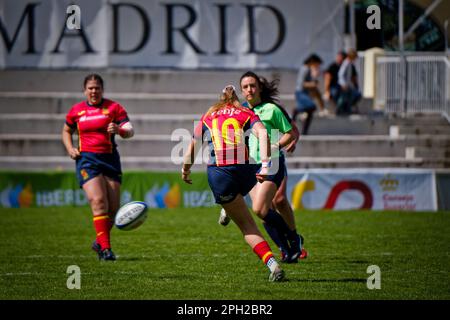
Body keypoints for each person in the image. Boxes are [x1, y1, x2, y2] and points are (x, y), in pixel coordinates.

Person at [181, 85, 285, 282]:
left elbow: (194, 145)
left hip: (220, 173)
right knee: (243, 201)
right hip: (244, 170)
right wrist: (265, 165)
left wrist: (185, 169)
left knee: (247, 226)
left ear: (220, 100)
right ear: (236, 99)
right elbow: (263, 134)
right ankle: (228, 208)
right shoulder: (245, 112)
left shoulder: (209, 115)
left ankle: (273, 265)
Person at [220, 71, 305, 263]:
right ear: (241, 91)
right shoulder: (241, 112)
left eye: (252, 85)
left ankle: (293, 238)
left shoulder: (271, 109)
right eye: (245, 87)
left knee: (261, 208)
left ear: (259, 88)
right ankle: (288, 248)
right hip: (251, 166)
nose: (249, 90)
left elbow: (290, 132)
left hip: (272, 162)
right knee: (264, 213)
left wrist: (275, 146)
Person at [62, 74, 134, 261]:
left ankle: (99, 242)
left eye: (97, 88)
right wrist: (70, 148)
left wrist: (120, 130)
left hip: (110, 160)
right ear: (85, 90)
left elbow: (130, 130)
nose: (94, 91)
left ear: (102, 89)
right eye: (90, 88)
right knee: (99, 201)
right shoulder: (76, 111)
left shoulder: (114, 108)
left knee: (113, 209)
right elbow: (66, 130)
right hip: (87, 160)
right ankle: (106, 251)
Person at [293, 53, 324, 135]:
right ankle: (296, 111)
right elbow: (301, 84)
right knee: (312, 107)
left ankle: (304, 131)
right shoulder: (305, 68)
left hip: (304, 93)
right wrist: (312, 84)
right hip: (301, 93)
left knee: (310, 110)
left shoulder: (308, 69)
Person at [336, 48, 362, 115]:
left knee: (350, 97)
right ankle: (339, 110)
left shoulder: (349, 63)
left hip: (347, 85)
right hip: (343, 85)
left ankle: (347, 109)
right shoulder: (346, 63)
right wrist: (343, 84)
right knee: (343, 98)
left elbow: (349, 76)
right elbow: (340, 74)